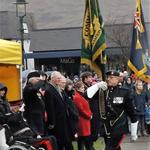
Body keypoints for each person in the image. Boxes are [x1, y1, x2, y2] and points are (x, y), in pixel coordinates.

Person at [87, 70, 138, 150]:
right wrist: (97, 86)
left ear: (118, 79)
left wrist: (134, 132)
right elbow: (87, 95)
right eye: (108, 77)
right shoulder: (103, 91)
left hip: (119, 126)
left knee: (109, 148)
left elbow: (131, 112)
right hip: (106, 127)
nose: (108, 79)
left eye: (111, 77)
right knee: (115, 148)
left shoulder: (124, 92)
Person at [44, 71, 72, 150]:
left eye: (60, 78)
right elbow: (50, 108)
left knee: (65, 142)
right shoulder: (49, 90)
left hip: (62, 120)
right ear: (52, 79)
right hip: (57, 123)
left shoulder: (56, 88)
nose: (59, 80)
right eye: (58, 78)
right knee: (59, 143)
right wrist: (52, 122)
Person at [23, 71, 46, 136]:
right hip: (33, 117)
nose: (39, 81)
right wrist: (41, 81)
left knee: (41, 135)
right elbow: (33, 90)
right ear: (31, 80)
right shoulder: (28, 88)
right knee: (37, 135)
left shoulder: (36, 89)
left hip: (40, 116)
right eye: (37, 79)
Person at [73, 80, 93, 150]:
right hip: (82, 121)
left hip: (85, 120)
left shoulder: (80, 96)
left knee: (82, 139)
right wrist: (89, 115)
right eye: (82, 87)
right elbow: (81, 110)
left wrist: (90, 114)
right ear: (78, 88)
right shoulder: (76, 97)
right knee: (84, 139)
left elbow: (86, 107)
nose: (83, 89)